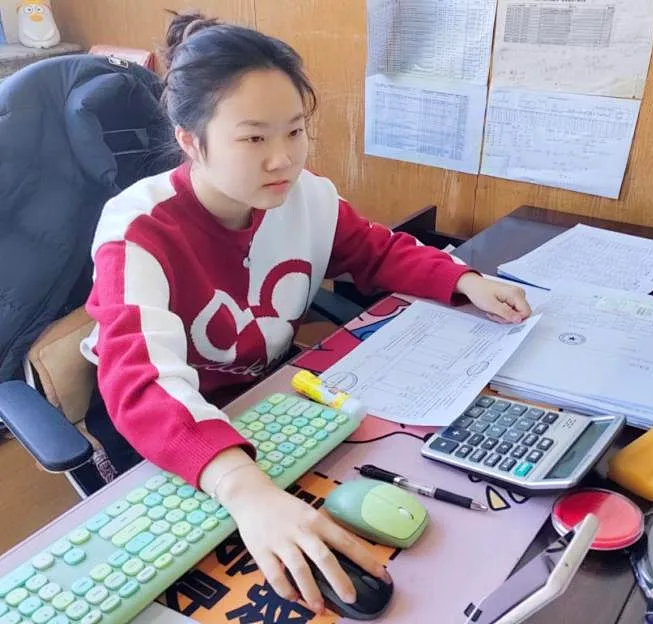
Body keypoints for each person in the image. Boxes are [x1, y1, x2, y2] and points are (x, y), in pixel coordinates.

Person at [82, 11, 531, 615]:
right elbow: (140, 382)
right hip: (162, 422)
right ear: (190, 140)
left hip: (262, 395)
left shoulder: (306, 197)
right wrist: (243, 488)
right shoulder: (137, 229)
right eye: (253, 138)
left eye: (294, 131)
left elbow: (375, 250)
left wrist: (464, 280)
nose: (282, 160)